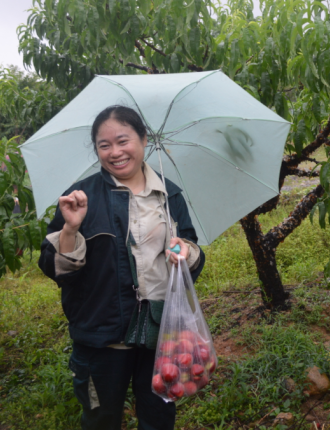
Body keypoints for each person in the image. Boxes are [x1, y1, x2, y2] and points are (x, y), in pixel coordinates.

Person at [38, 105, 205, 430]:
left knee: (159, 418)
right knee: (100, 418)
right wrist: (70, 229)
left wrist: (186, 251)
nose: (115, 152)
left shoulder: (168, 194)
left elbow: (192, 256)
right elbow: (52, 266)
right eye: (104, 145)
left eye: (123, 140)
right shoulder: (80, 197)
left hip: (159, 333)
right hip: (102, 337)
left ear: (143, 139)